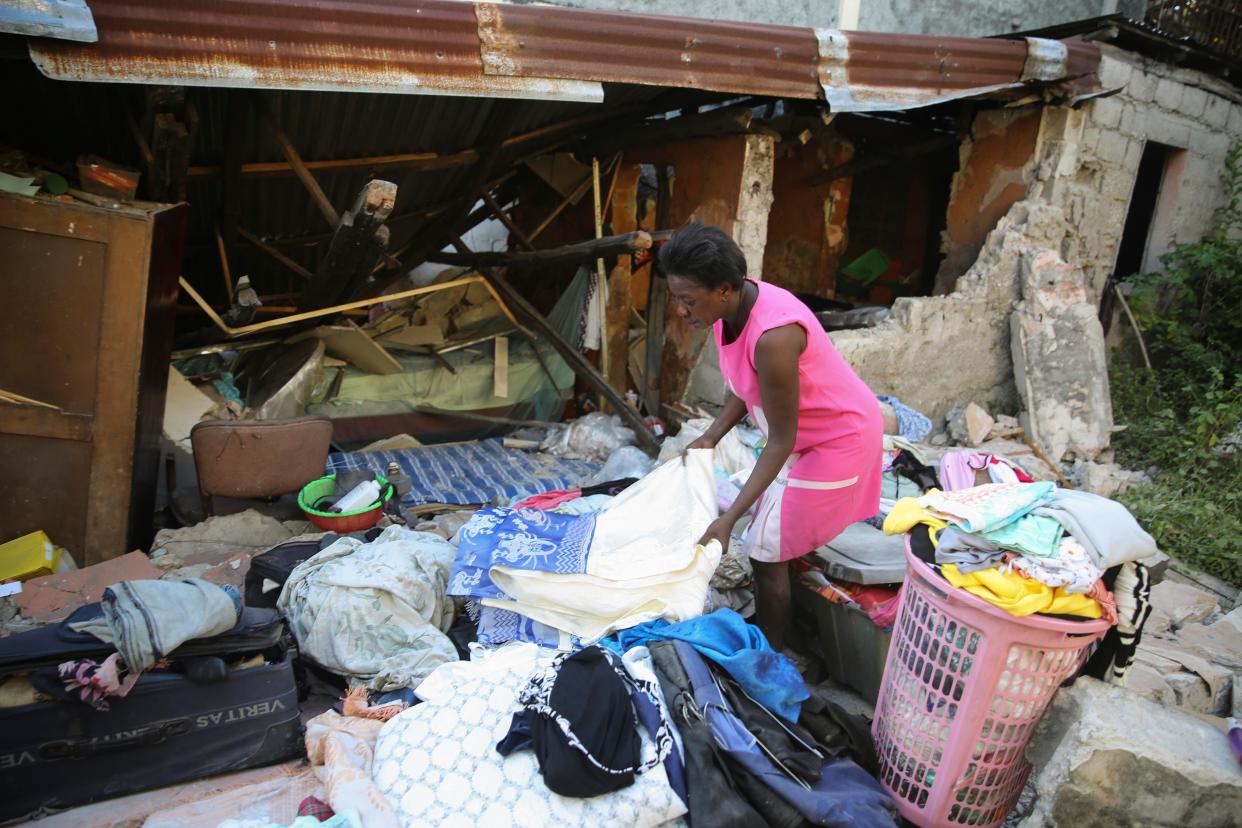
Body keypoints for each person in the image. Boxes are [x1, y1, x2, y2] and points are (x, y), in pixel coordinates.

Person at [659, 220, 883, 649]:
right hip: (804, 437)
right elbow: (746, 385)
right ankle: (790, 633)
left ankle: (771, 660)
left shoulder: (774, 336)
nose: (682, 312)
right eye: (677, 300)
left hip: (839, 440)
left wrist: (727, 521)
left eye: (688, 301)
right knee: (769, 526)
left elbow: (780, 440)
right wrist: (711, 436)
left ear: (723, 288)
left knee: (764, 548)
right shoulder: (730, 310)